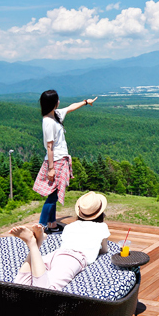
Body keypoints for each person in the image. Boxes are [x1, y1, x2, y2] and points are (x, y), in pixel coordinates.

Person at [8, 191, 110, 291]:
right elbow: (104, 250)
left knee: (19, 286)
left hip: (57, 254)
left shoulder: (70, 227)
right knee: (44, 290)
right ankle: (33, 244)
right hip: (73, 259)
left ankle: (37, 243)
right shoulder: (102, 227)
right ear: (101, 213)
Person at [34, 89, 97, 232]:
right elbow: (49, 146)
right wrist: (51, 169)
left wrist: (86, 102)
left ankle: (52, 224)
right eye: (57, 100)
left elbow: (70, 108)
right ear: (53, 103)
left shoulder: (55, 115)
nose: (59, 101)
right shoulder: (48, 122)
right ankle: (41, 226)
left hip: (60, 160)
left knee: (53, 194)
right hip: (55, 161)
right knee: (53, 196)